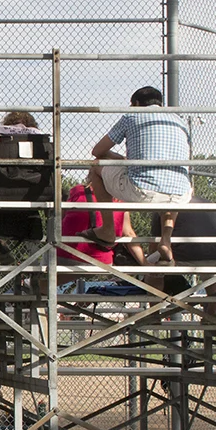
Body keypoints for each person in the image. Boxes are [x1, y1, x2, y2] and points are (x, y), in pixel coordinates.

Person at [88, 85, 192, 264]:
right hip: (182, 195)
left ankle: (107, 229)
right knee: (174, 182)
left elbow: (97, 151)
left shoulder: (132, 116)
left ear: (136, 103)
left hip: (142, 190)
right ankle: (165, 240)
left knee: (96, 166)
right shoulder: (179, 121)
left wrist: (119, 159)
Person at [57, 180, 143, 290]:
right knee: (89, 265)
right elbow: (128, 233)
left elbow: (61, 219)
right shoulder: (120, 198)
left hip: (65, 254)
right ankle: (41, 285)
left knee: (51, 264)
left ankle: (39, 285)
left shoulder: (78, 191)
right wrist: (144, 263)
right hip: (102, 261)